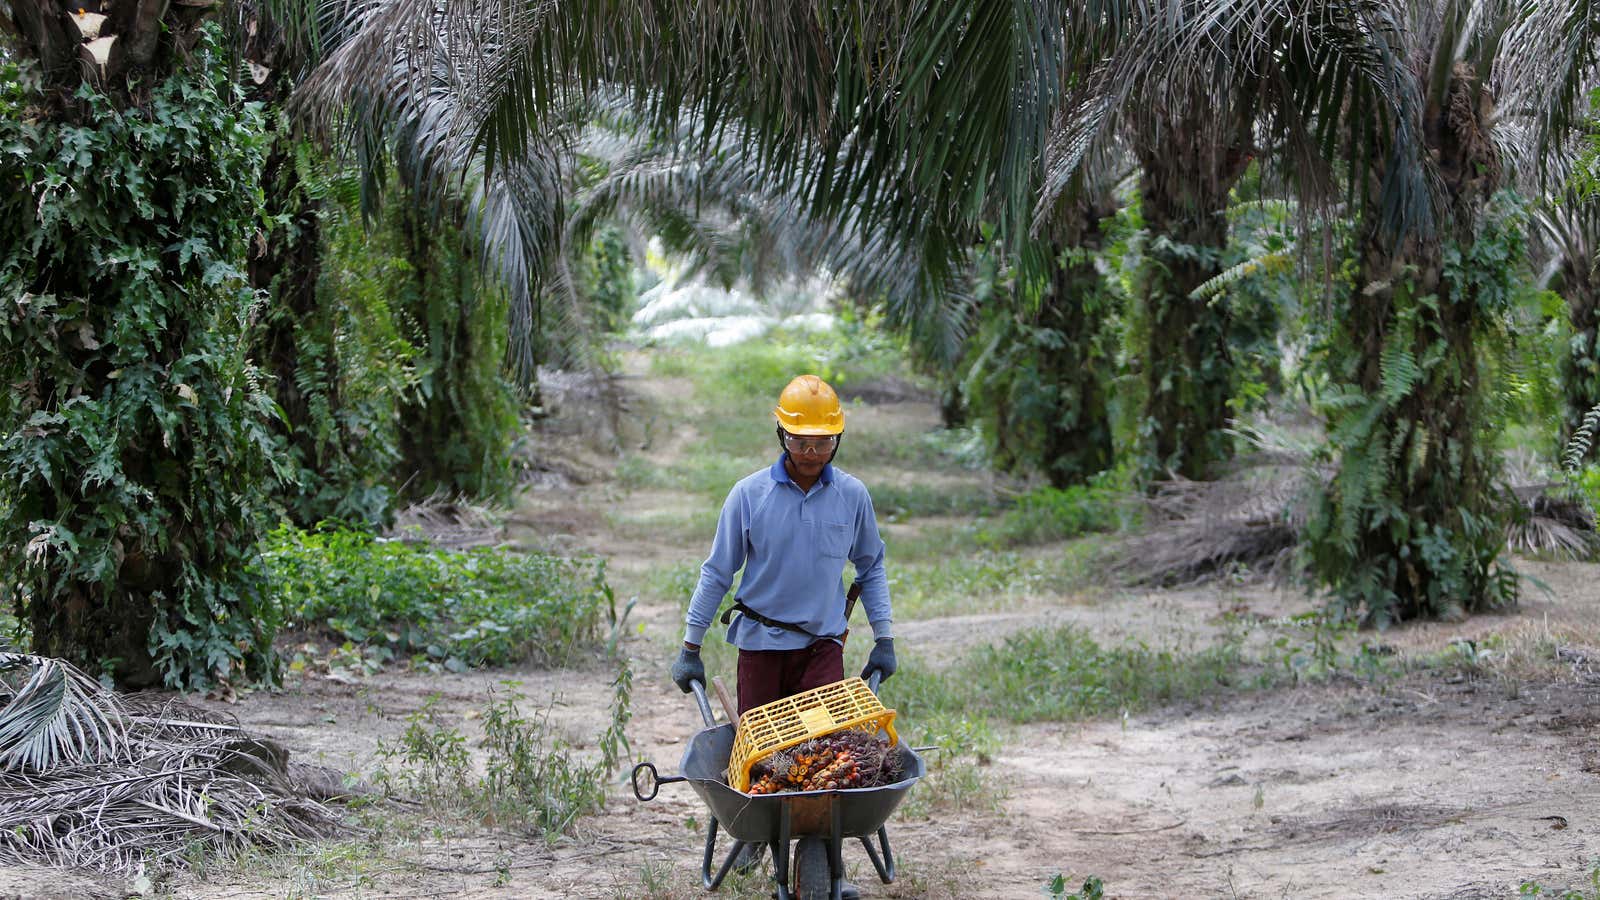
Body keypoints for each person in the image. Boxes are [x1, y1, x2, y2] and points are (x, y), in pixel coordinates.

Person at [671, 374, 896, 714]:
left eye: (823, 443)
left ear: (838, 440)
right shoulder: (749, 495)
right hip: (761, 647)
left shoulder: (851, 496)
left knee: (821, 756)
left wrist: (885, 639)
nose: (811, 453)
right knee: (765, 758)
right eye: (798, 440)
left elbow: (871, 567)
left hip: (823, 648)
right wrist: (691, 647)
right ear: (781, 435)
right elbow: (718, 571)